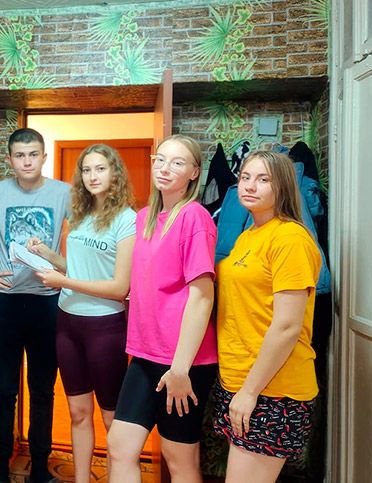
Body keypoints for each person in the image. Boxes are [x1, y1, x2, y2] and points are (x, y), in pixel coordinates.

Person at [107, 134, 218, 482]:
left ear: (194, 173)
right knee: (120, 447)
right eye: (161, 159)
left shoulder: (195, 217)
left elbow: (203, 296)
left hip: (184, 362)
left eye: (177, 162)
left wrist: (180, 369)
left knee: (178, 459)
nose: (165, 168)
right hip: (145, 354)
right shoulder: (144, 218)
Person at [26, 144, 135, 483]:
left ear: (114, 173)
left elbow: (119, 287)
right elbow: (77, 268)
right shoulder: (80, 215)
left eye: (100, 169)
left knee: (111, 418)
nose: (92, 176)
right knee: (77, 412)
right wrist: (48, 255)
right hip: (68, 323)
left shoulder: (127, 219)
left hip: (105, 327)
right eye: (86, 170)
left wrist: (63, 281)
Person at [213, 151, 321, 483]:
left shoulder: (290, 239)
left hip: (272, 388)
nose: (249, 186)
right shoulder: (249, 234)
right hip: (240, 379)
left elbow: (287, 326)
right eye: (245, 177)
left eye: (263, 179)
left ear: (283, 186)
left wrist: (250, 391)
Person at [0, 127, 71, 483]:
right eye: (19, 155)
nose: (27, 161)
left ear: (44, 157)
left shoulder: (64, 193)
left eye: (33, 155)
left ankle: (40, 469)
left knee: (43, 390)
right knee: (3, 391)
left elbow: (85, 237)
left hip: (47, 303)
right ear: (9, 159)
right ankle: (0, 471)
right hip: (7, 304)